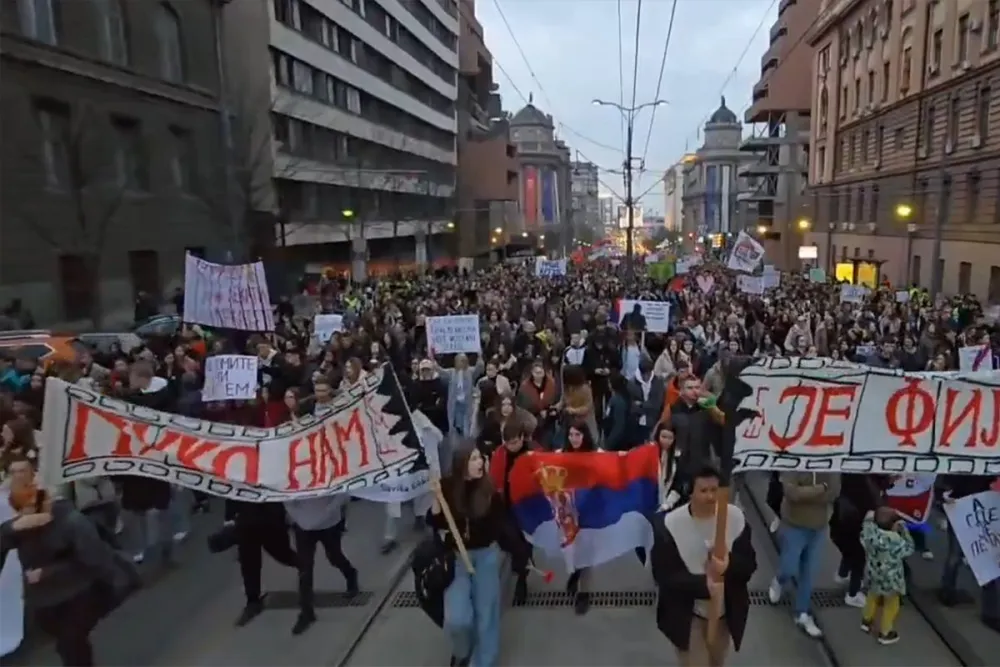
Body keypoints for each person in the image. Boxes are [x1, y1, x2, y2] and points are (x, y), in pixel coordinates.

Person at [0, 456, 140, 666]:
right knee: (67, 643)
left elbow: (95, 559)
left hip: (78, 593)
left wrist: (48, 572)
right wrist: (10, 529)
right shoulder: (20, 528)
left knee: (71, 643)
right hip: (44, 601)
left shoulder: (71, 521)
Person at [651, 465, 756, 667]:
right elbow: (664, 575)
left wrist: (728, 565)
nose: (710, 497)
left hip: (723, 615)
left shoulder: (735, 519)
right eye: (703, 491)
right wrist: (703, 585)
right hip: (689, 617)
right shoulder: (671, 525)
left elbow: (750, 565)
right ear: (690, 492)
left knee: (717, 663)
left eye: (714, 490)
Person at [430, 447, 507, 667]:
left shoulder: (489, 490)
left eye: (480, 458)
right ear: (461, 464)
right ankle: (462, 651)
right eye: (473, 459)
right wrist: (436, 498)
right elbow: (436, 523)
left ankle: (482, 661)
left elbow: (496, 528)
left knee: (486, 617)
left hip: (485, 557)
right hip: (456, 559)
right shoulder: (447, 487)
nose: (480, 462)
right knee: (457, 618)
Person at [768, 471, 840, 638]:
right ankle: (779, 580)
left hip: (819, 527)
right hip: (794, 525)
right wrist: (821, 488)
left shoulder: (832, 466)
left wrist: (808, 493)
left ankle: (802, 613)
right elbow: (792, 493)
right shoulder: (796, 464)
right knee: (789, 567)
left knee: (809, 573)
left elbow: (834, 492)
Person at [283, 493, 358, 635]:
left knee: (334, 556)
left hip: (329, 524)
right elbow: (286, 497)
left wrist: (327, 512)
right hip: (303, 526)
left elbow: (343, 494)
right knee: (305, 569)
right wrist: (298, 518)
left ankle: (350, 574)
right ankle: (306, 612)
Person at [859, 506, 914, 645]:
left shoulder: (870, 534)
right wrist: (905, 530)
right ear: (894, 526)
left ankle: (866, 621)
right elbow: (910, 548)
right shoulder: (896, 542)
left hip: (874, 574)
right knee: (892, 604)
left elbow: (866, 525)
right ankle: (885, 632)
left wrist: (870, 519)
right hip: (891, 580)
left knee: (872, 596)